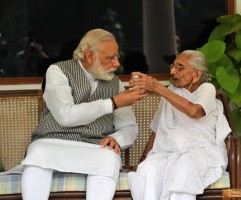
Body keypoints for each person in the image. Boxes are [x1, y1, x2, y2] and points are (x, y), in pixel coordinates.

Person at [20, 28, 147, 200]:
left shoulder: (115, 83)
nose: (117, 64)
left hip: (95, 147)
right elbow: (66, 115)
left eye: (117, 56)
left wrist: (117, 139)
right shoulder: (58, 71)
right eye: (111, 57)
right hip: (53, 143)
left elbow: (129, 127)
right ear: (89, 56)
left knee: (109, 158)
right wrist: (113, 103)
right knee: (38, 152)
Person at [128, 50, 231, 200]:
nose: (172, 71)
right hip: (168, 151)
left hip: (199, 151)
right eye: (173, 66)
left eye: (180, 67)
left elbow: (195, 111)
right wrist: (143, 158)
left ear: (197, 74)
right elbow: (158, 130)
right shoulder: (171, 92)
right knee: (147, 171)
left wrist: (157, 87)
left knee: (183, 171)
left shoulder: (206, 89)